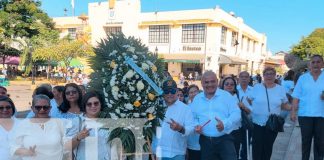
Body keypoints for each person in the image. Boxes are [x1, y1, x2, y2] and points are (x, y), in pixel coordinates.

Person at [190, 71, 240, 160]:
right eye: (206, 82)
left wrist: (224, 124)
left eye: (212, 81)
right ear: (201, 83)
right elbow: (192, 117)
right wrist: (196, 125)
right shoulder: (197, 99)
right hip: (205, 141)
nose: (210, 85)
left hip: (225, 139)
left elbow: (236, 114)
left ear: (217, 81)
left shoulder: (226, 96)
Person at [247, 67, 291, 160]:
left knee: (268, 147)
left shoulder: (280, 89)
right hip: (257, 122)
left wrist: (294, 108)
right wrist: (256, 109)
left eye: (271, 74)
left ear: (275, 76)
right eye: (267, 74)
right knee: (256, 147)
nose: (269, 76)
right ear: (263, 76)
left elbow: (284, 104)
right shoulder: (257, 87)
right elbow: (249, 100)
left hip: (272, 123)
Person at [11, 94, 66, 160]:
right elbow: (14, 146)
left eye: (45, 107)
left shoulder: (59, 123)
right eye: (38, 107)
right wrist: (25, 151)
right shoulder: (23, 124)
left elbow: (66, 145)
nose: (42, 110)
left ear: (50, 108)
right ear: (32, 108)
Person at [290, 54, 324, 160]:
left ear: (322, 64)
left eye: (318, 62)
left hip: (321, 115)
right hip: (305, 115)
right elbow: (296, 96)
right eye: (313, 62)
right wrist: (293, 112)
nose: (315, 64)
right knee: (306, 142)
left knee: (321, 142)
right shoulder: (303, 78)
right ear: (310, 64)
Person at [152, 79, 195, 160]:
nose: (169, 94)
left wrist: (180, 129)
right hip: (159, 153)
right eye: (166, 91)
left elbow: (191, 130)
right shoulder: (156, 107)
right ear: (163, 92)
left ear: (176, 91)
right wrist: (154, 150)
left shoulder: (185, 109)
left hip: (176, 154)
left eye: (172, 91)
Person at [67, 91, 111, 160]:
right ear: (84, 106)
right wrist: (78, 138)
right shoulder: (77, 121)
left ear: (101, 104)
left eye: (96, 103)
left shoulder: (108, 119)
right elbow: (66, 147)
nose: (93, 106)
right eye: (89, 104)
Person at [220, 76, 251, 160]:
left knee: (234, 154)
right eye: (226, 84)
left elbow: (249, 112)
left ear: (234, 87)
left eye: (232, 84)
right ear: (223, 86)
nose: (229, 86)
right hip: (222, 131)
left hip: (236, 131)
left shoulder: (238, 97)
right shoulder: (217, 98)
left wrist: (243, 107)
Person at [237, 71, 253, 160]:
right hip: (236, 121)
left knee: (246, 144)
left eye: (246, 77)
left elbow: (256, 106)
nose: (244, 78)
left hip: (248, 121)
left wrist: (247, 109)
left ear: (249, 79)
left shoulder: (253, 90)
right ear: (238, 78)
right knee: (236, 143)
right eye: (242, 77)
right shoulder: (234, 89)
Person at [186, 84, 201, 160]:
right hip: (192, 143)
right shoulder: (187, 108)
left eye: (195, 91)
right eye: (191, 92)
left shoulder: (205, 106)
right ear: (188, 95)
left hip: (205, 142)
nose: (194, 94)